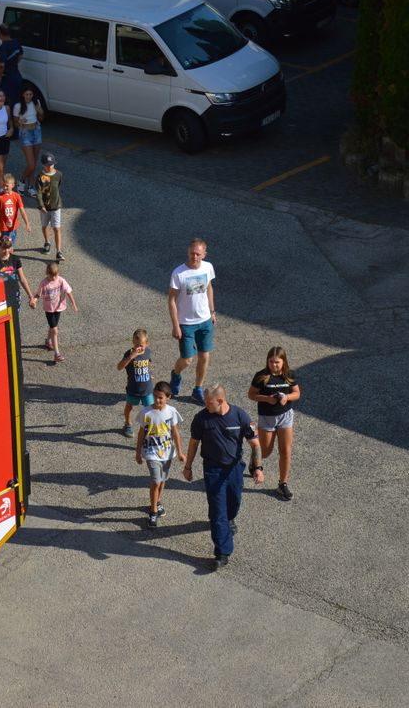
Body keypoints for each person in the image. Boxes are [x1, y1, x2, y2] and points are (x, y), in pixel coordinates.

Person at [181, 385, 263, 570]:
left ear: (220, 401)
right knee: (218, 511)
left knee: (233, 503)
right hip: (213, 470)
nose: (205, 405)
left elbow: (255, 444)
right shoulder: (201, 419)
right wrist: (188, 467)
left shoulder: (240, 416)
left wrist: (257, 468)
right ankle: (222, 552)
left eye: (208, 402)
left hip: (234, 469)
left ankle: (229, 519)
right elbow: (194, 443)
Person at [249, 346, 302, 501]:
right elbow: (251, 394)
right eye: (271, 362)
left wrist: (287, 398)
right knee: (265, 451)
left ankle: (282, 483)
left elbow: (297, 393)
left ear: (283, 361)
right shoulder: (261, 376)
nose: (274, 365)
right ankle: (254, 461)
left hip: (286, 416)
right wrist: (267, 399)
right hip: (267, 417)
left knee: (286, 451)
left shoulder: (289, 375)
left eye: (277, 362)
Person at [168, 238, 216, 405]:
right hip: (186, 323)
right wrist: (176, 325)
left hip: (205, 320)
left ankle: (198, 389)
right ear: (188, 252)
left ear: (204, 254)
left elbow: (209, 288)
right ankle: (176, 373)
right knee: (187, 359)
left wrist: (212, 311)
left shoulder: (208, 267)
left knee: (205, 356)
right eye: (192, 253)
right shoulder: (179, 273)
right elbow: (172, 300)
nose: (194, 256)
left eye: (198, 254)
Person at [135, 381, 184, 528]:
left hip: (168, 453)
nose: (157, 400)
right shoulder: (146, 413)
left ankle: (157, 501)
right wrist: (138, 452)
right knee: (156, 481)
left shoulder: (171, 412)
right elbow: (141, 433)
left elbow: (175, 432)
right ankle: (153, 511)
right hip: (151, 453)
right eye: (155, 396)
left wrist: (180, 452)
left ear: (168, 397)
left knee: (163, 481)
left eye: (160, 397)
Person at [33, 261, 77, 363]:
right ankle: (57, 354)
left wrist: (73, 304)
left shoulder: (61, 280)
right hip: (49, 309)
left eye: (55, 275)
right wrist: (34, 300)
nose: (53, 278)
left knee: (53, 327)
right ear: (47, 273)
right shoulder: (44, 283)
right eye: (51, 275)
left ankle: (48, 341)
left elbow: (68, 291)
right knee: (55, 330)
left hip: (58, 307)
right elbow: (38, 295)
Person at [116, 329, 153, 437]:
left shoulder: (148, 351)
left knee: (150, 409)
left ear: (147, 343)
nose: (138, 348)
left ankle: (149, 427)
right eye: (136, 345)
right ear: (133, 342)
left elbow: (149, 362)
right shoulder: (129, 354)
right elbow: (119, 367)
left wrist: (149, 373)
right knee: (129, 406)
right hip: (133, 388)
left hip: (147, 389)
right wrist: (131, 357)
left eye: (141, 345)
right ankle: (128, 424)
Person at [0, 236, 35, 307]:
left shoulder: (15, 259)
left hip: (14, 292)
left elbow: (22, 279)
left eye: (8, 248)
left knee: (15, 316)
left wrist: (30, 296)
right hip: (1, 296)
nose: (6, 251)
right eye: (4, 248)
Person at [15, 86, 45, 195]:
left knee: (33, 162)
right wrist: (20, 122)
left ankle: (31, 186)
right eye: (26, 94)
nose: (28, 96)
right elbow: (15, 123)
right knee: (31, 164)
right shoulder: (18, 106)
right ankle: (21, 181)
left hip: (36, 132)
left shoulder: (36, 103)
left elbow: (41, 118)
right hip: (25, 134)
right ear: (23, 94)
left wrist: (40, 112)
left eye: (30, 94)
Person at [36, 152, 64, 261]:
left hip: (56, 206)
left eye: (51, 164)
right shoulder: (40, 177)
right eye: (47, 165)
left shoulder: (59, 174)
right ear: (43, 165)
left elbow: (58, 186)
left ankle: (59, 251)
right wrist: (41, 205)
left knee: (57, 228)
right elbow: (38, 192)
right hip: (44, 207)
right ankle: (47, 242)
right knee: (44, 226)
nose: (49, 167)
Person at [0, 174, 32, 246]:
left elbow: (22, 211)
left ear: (13, 185)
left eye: (7, 185)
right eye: (3, 185)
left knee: (11, 245)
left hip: (13, 227)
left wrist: (27, 223)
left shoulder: (16, 196)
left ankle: (10, 255)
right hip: (3, 228)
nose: (5, 187)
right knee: (4, 247)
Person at [0, 25, 24, 110]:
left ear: (0, 34)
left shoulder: (3, 47)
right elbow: (21, 54)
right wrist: (13, 63)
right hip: (17, 76)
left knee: (7, 104)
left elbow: (1, 64)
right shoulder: (16, 42)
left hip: (7, 80)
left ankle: (8, 122)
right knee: (16, 103)